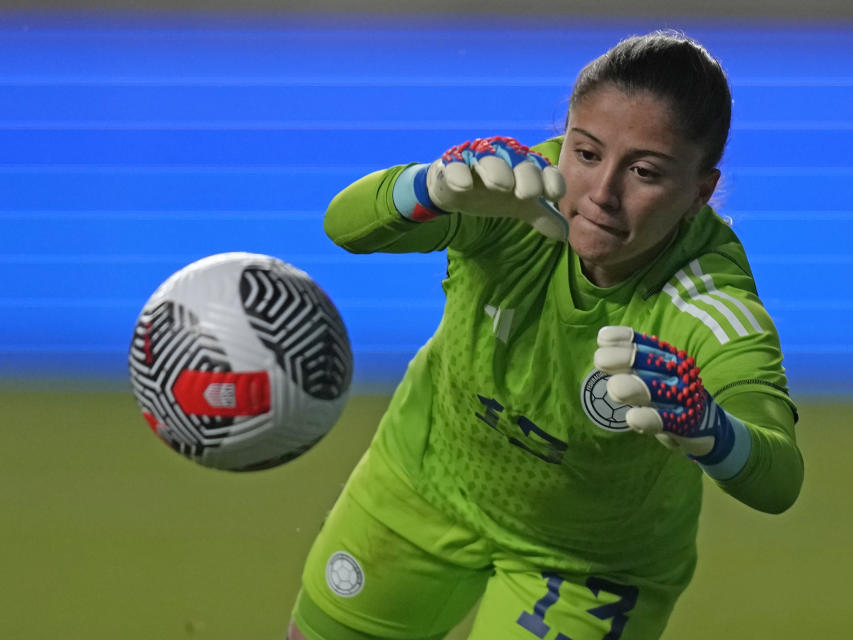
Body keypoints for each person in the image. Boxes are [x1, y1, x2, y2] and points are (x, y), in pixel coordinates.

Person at [288, 30, 803, 640]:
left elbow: (779, 478)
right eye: (586, 153)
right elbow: (344, 226)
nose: (603, 194)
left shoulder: (706, 302)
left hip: (590, 566)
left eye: (643, 171)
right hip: (423, 489)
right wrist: (426, 185)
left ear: (700, 191)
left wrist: (712, 430)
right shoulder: (510, 197)